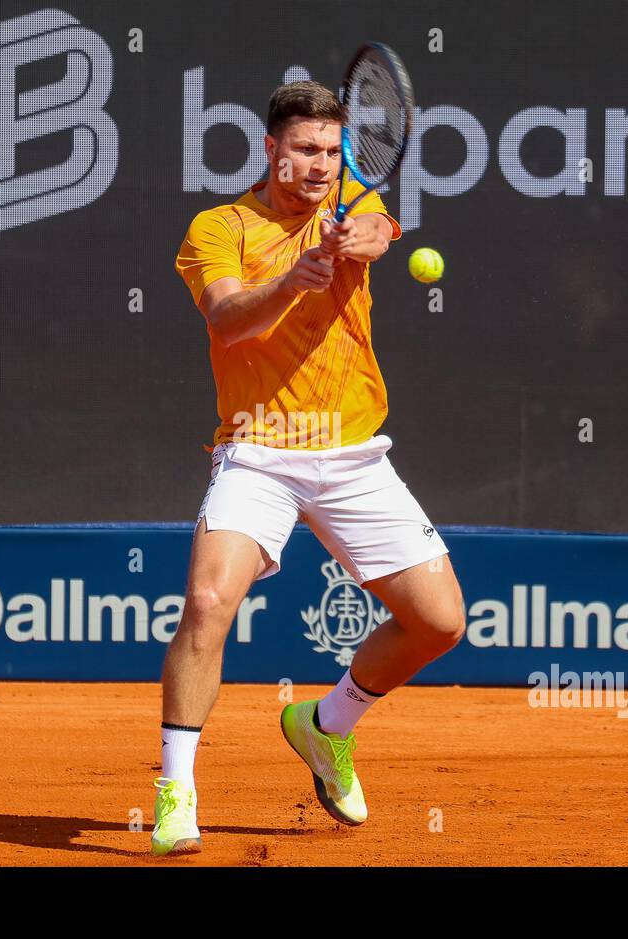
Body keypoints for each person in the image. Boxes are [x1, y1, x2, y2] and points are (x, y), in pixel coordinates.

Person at [152, 80, 465, 856]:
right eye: (307, 151)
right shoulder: (217, 228)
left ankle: (326, 726)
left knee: (440, 623)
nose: (322, 165)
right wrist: (291, 280)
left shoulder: (352, 202)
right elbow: (227, 322)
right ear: (272, 150)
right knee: (205, 600)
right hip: (257, 450)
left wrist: (363, 236)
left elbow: (376, 229)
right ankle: (175, 790)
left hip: (353, 452)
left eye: (334, 152)